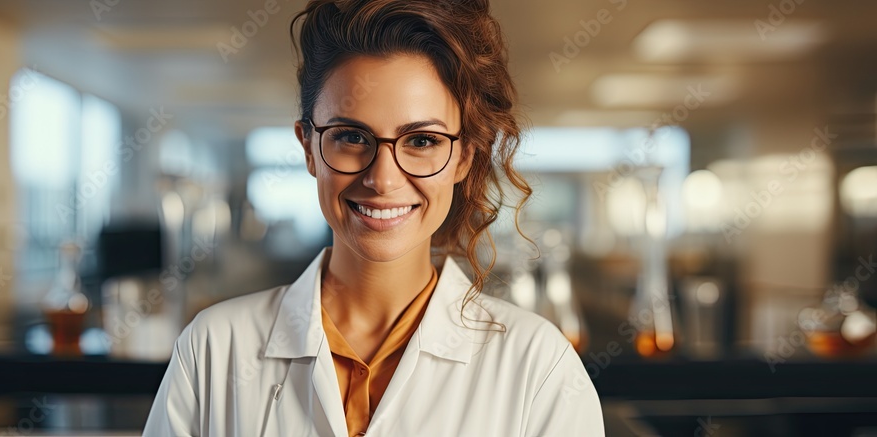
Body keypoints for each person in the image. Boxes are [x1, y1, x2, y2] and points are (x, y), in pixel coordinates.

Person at [142, 0, 604, 435]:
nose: (383, 179)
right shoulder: (213, 350)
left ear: (465, 157)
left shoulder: (539, 367)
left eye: (422, 141)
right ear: (309, 148)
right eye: (350, 136)